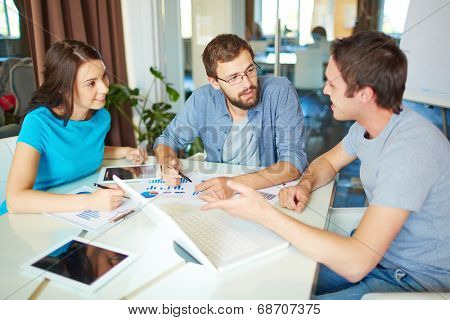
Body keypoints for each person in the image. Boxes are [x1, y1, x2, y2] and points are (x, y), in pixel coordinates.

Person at [201, 31, 450, 299]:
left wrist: (264, 214)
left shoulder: (410, 151)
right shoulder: (370, 125)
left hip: (412, 280)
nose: (324, 90)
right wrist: (306, 185)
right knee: (264, 284)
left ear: (365, 94)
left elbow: (355, 263)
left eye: (332, 83)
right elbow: (329, 162)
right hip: (379, 256)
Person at [1, 40, 148, 215]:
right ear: (64, 88)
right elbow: (15, 200)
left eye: (103, 76)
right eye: (91, 83)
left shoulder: (101, 117)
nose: (105, 89)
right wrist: (89, 201)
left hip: (73, 211)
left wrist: (123, 151)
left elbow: (80, 149)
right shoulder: (38, 123)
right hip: (28, 217)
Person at [154, 34, 307, 200]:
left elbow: (293, 162)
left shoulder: (280, 91)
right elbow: (168, 139)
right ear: (214, 82)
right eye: (234, 77)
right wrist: (167, 163)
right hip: (218, 193)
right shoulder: (202, 99)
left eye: (250, 70)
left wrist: (231, 184)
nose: (248, 84)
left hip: (266, 192)